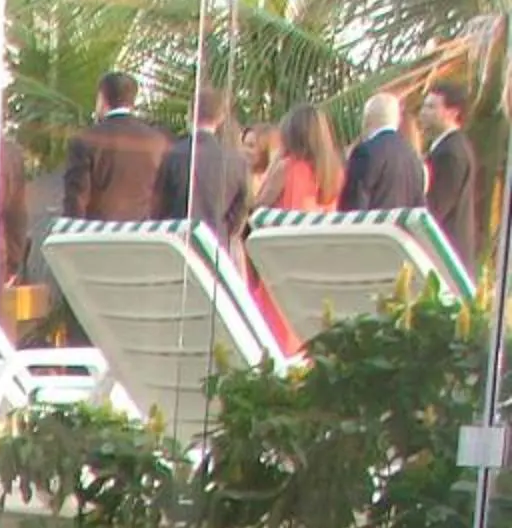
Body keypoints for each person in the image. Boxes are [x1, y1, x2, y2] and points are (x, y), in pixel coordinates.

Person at [251, 105, 346, 352]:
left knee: (275, 328)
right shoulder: (333, 172)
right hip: (316, 258)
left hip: (282, 259)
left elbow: (259, 204)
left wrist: (275, 161)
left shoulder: (288, 167)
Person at [61, 71, 169, 222]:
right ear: (132, 100)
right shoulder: (157, 141)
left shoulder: (84, 140)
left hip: (97, 237)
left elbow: (77, 198)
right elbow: (161, 197)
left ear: (102, 98)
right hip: (141, 236)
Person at [155, 84, 252, 251]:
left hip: (178, 245)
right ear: (221, 117)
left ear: (191, 114)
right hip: (217, 246)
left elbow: (160, 206)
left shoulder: (172, 155)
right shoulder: (237, 161)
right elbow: (240, 212)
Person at [423, 77, 480, 272]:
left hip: (447, 257)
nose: (424, 113)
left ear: (453, 112)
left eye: (431, 107)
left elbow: (436, 208)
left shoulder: (451, 153)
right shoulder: (447, 147)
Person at [338, 90, 427, 213]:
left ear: (367, 119)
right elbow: (419, 207)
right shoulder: (413, 157)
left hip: (373, 230)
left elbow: (354, 206)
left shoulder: (365, 152)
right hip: (400, 231)